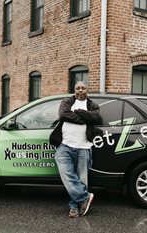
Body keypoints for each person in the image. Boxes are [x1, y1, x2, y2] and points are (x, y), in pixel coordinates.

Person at [49, 81, 102, 218]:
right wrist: (85, 118)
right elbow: (63, 115)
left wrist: (78, 113)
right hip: (65, 145)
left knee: (81, 180)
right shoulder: (67, 101)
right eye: (77, 88)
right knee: (67, 175)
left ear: (87, 90)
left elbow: (96, 117)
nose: (80, 90)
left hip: (84, 147)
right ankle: (85, 197)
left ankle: (74, 207)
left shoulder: (92, 105)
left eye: (83, 88)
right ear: (74, 90)